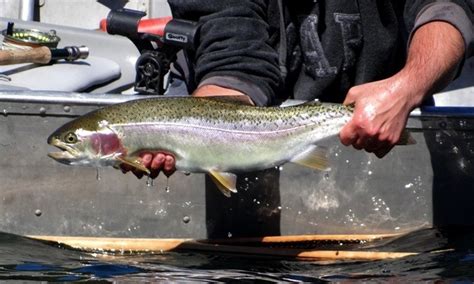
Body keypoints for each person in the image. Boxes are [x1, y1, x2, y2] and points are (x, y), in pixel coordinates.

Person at [126, 0, 472, 179]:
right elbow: (233, 59)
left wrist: (405, 87)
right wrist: (193, 134)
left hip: (388, 113)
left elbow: (447, 8)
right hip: (254, 119)